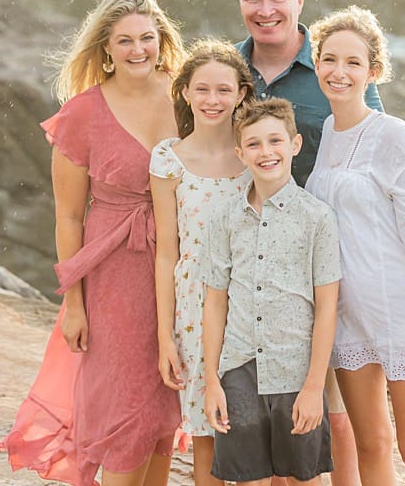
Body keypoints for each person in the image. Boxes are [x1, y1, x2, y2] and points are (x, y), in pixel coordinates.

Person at [0, 0, 185, 486]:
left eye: (147, 37)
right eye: (124, 40)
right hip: (112, 277)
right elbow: (68, 218)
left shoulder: (184, 96)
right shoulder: (83, 113)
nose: (138, 49)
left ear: (162, 39)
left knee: (164, 407)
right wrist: (74, 305)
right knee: (124, 407)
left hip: (179, 265)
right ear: (105, 47)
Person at [305, 6, 405, 485]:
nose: (339, 72)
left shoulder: (394, 135)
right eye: (329, 59)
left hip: (400, 307)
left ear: (373, 72)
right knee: (370, 443)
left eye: (353, 62)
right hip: (348, 313)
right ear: (316, 65)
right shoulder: (329, 134)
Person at [235, 0, 377, 484]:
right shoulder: (227, 69)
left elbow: (373, 150)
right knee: (265, 410)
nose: (266, 9)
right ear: (240, 1)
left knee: (333, 414)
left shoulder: (331, 68)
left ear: (299, 0)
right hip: (248, 261)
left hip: (325, 261)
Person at [202, 98, 341, 485]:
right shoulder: (224, 218)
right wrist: (212, 380)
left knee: (305, 478)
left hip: (297, 372)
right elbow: (215, 302)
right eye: (254, 144)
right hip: (239, 370)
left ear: (295, 144)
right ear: (240, 153)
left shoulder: (318, 218)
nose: (266, 152)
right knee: (248, 479)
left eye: (275, 141)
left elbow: (327, 307)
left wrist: (315, 387)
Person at [150, 39, 255, 486]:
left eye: (224, 90)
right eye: (203, 89)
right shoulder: (168, 159)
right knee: (207, 434)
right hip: (193, 308)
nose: (213, 100)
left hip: (252, 304)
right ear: (187, 93)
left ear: (241, 95)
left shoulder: (256, 154)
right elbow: (166, 252)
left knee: (254, 433)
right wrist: (164, 337)